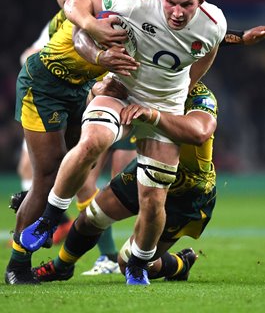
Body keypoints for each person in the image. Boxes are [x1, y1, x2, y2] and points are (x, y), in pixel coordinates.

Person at [19, 0, 227, 286]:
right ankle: (49, 218)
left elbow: (208, 50)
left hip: (163, 107)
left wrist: (185, 86)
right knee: (92, 141)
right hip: (122, 89)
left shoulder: (213, 23)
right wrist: (92, 24)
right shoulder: (136, 1)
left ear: (200, 1)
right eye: (170, 1)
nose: (176, 11)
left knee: (153, 199)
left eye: (186, 4)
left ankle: (138, 264)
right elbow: (78, 3)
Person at [4, 0, 160, 286]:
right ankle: (17, 264)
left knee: (79, 170)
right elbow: (80, 38)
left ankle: (42, 210)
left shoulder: (146, 5)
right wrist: (100, 57)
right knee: (47, 178)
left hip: (77, 89)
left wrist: (232, 35)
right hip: (43, 86)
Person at [30, 79, 217, 284]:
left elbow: (199, 132)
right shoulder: (149, 83)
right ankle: (60, 267)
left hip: (187, 190)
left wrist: (152, 115)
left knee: (128, 263)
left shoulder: (200, 95)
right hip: (146, 168)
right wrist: (96, 90)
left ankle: (180, 264)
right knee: (90, 218)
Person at [13, 0, 93, 244]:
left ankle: (45, 212)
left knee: (76, 170)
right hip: (51, 99)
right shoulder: (56, 24)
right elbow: (28, 55)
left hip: (88, 99)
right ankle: (42, 223)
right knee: (49, 171)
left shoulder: (96, 12)